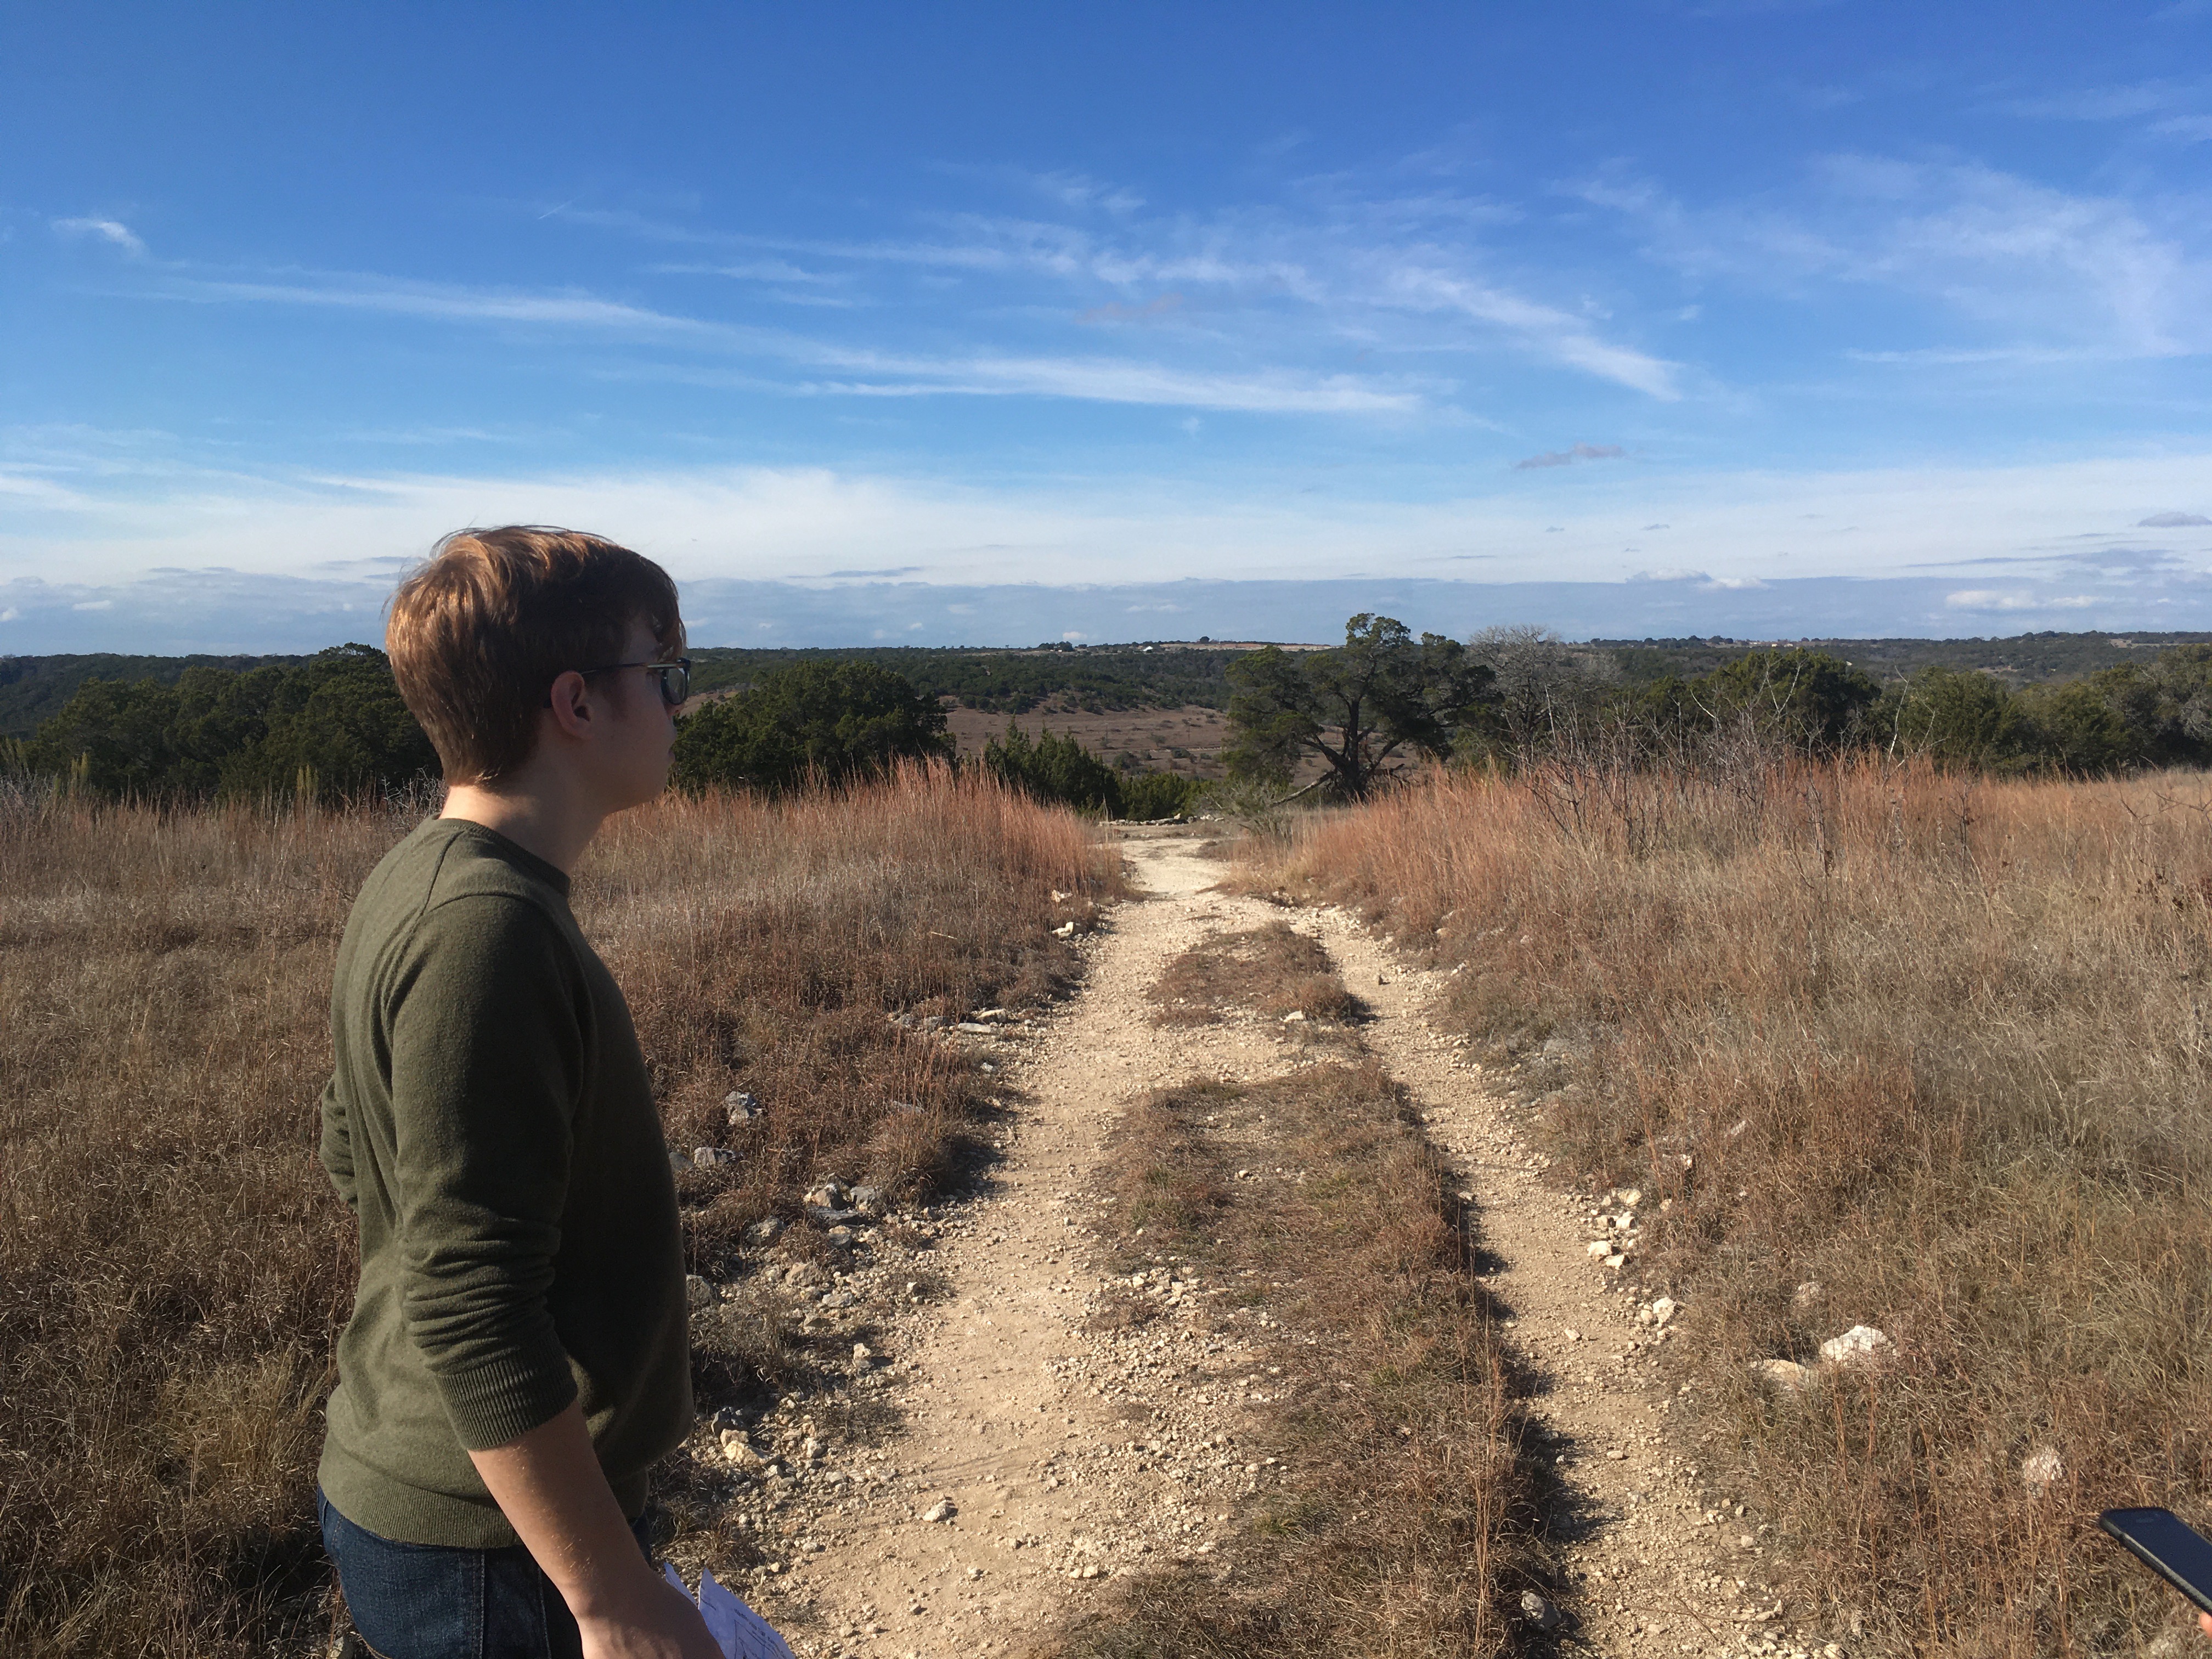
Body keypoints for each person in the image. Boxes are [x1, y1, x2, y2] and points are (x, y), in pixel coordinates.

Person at [315, 526, 721, 1659]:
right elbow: (469, 1298)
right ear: (577, 705)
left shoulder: (423, 876)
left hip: (478, 1518)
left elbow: (353, 1150)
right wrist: (610, 1598)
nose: (682, 704)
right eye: (666, 671)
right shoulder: (485, 930)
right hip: (492, 1555)